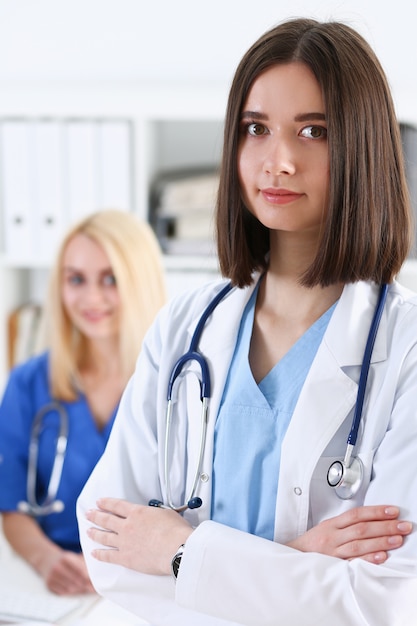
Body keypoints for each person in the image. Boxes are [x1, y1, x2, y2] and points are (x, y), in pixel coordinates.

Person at [77, 19, 417, 626]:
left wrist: (179, 553)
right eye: (255, 129)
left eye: (313, 131)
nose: (278, 161)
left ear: (362, 147)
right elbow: (108, 550)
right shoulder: (185, 326)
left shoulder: (406, 347)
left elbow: (383, 599)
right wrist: (291, 563)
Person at [0, 209, 166, 596]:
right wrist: (47, 561)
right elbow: (10, 502)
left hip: (149, 586)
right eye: (76, 279)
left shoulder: (176, 390)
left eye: (110, 279)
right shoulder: (28, 382)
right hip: (56, 584)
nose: (92, 298)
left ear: (138, 281)